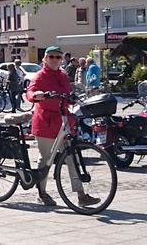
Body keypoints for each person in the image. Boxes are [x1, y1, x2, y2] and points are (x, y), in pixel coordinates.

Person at [26, 45, 101, 207]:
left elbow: (67, 95)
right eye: (51, 56)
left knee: (71, 157)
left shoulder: (63, 75)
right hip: (45, 123)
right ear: (45, 59)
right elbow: (30, 92)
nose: (54, 59)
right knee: (45, 158)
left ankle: (81, 196)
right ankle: (42, 193)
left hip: (63, 123)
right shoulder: (40, 76)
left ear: (62, 59)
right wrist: (35, 96)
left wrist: (73, 97)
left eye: (58, 57)